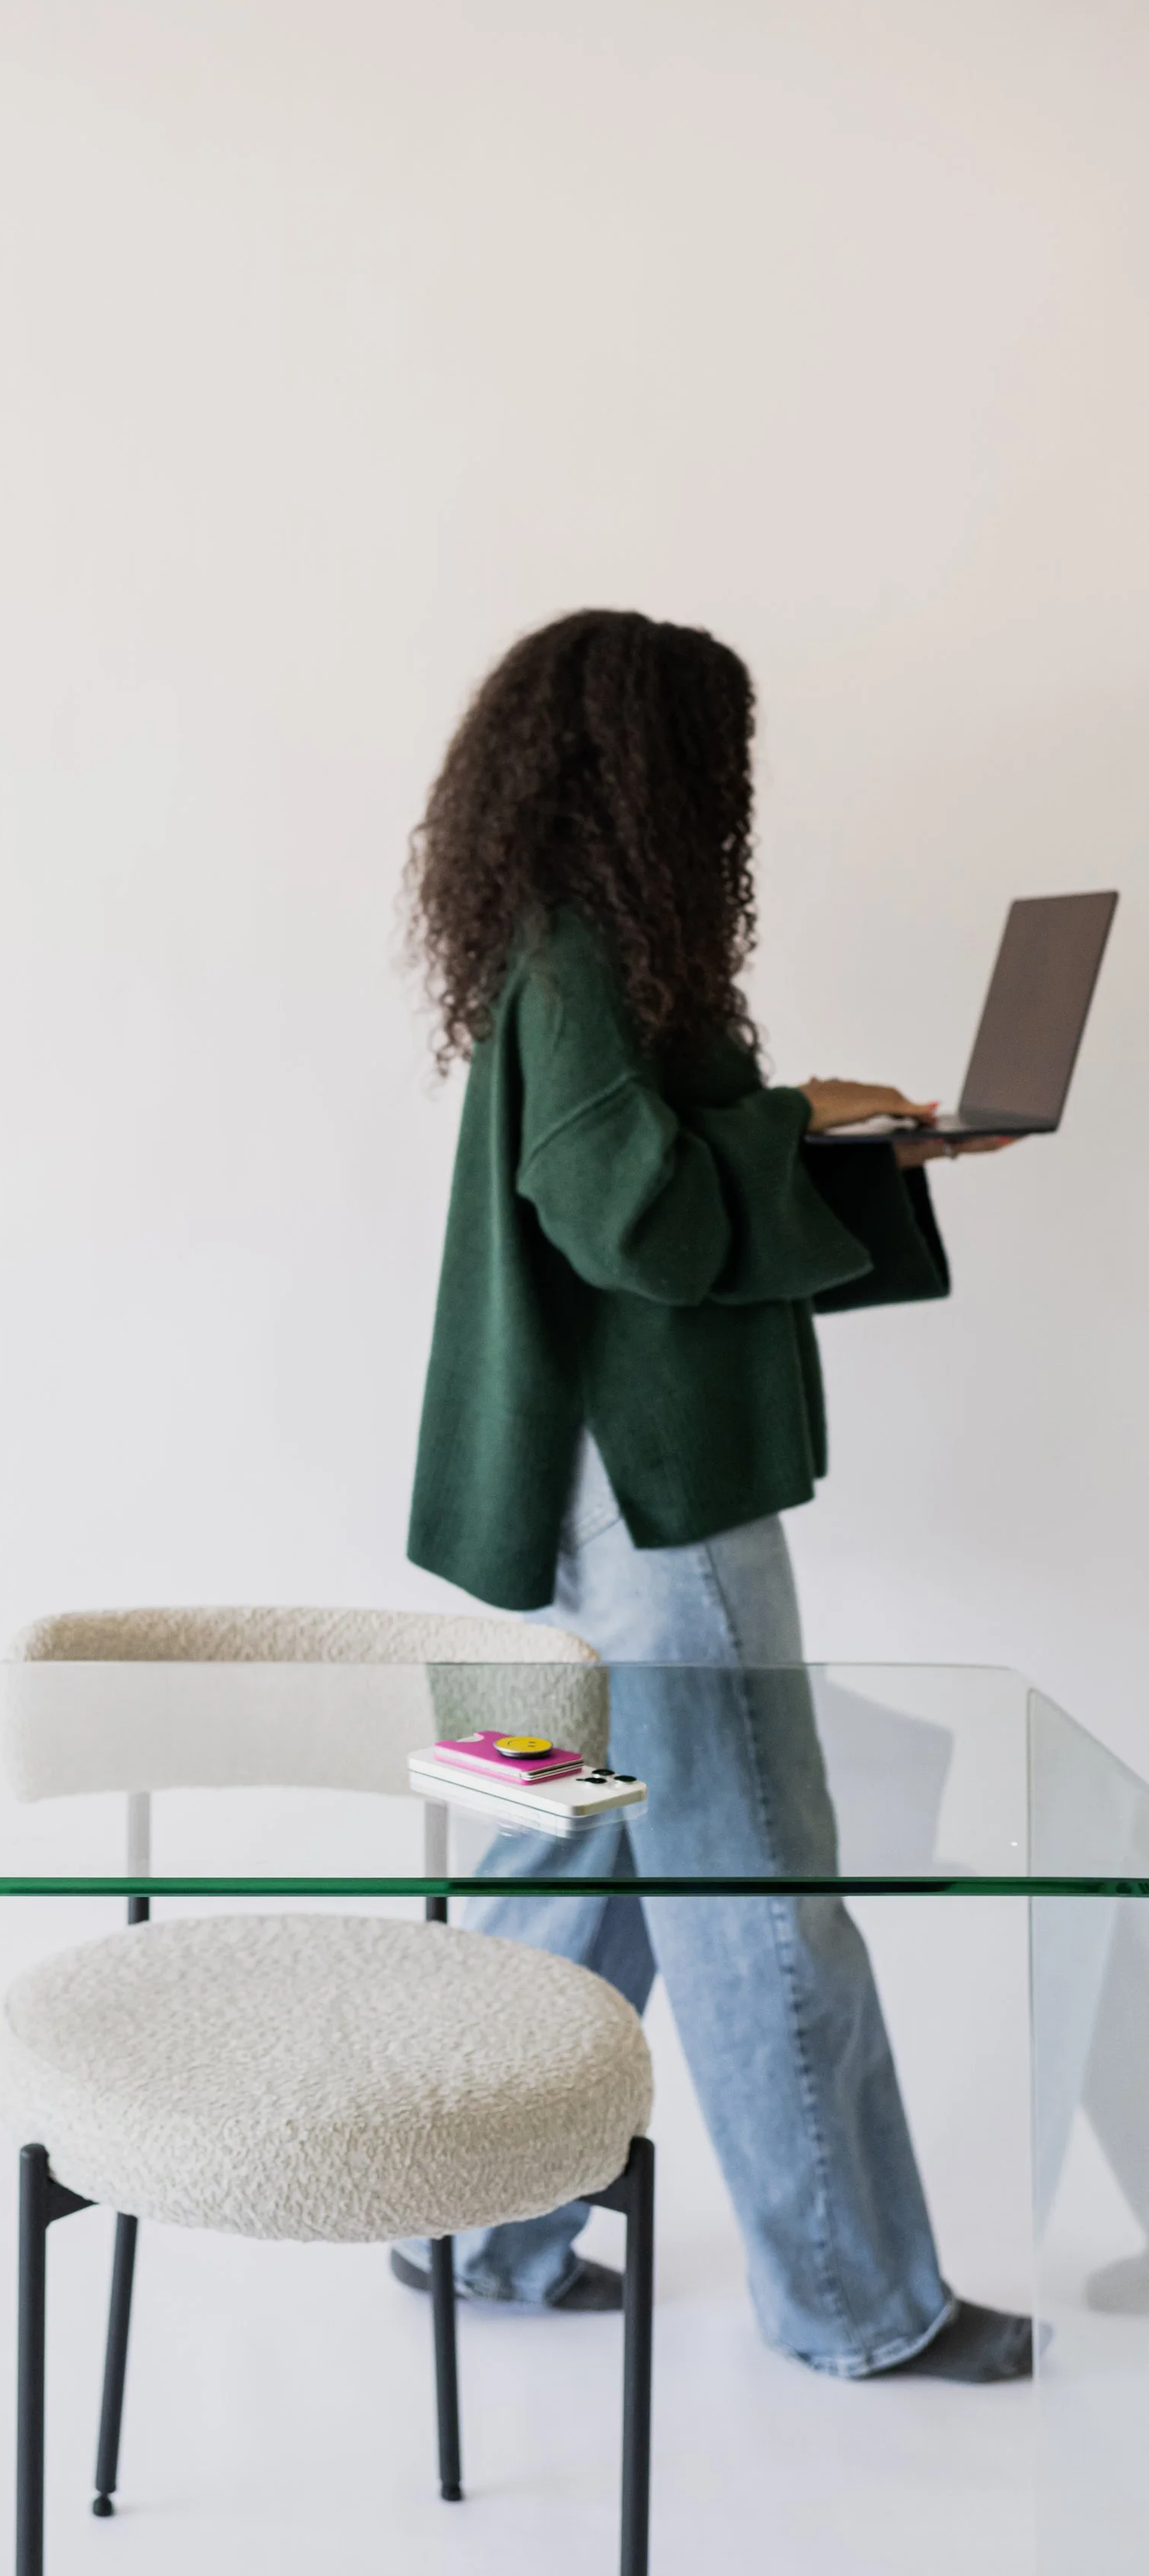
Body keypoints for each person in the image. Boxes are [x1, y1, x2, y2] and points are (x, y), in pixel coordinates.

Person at [397, 607, 1032, 2382]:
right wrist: (791, 1130)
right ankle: (853, 2306)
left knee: (580, 1844)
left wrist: (839, 1136)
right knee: (757, 1887)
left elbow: (646, 1184)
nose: (725, 802)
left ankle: (463, 2229)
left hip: (595, 1485)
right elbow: (624, 1207)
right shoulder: (586, 947)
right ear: (648, 770)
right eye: (710, 766)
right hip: (654, 1500)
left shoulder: (573, 943)